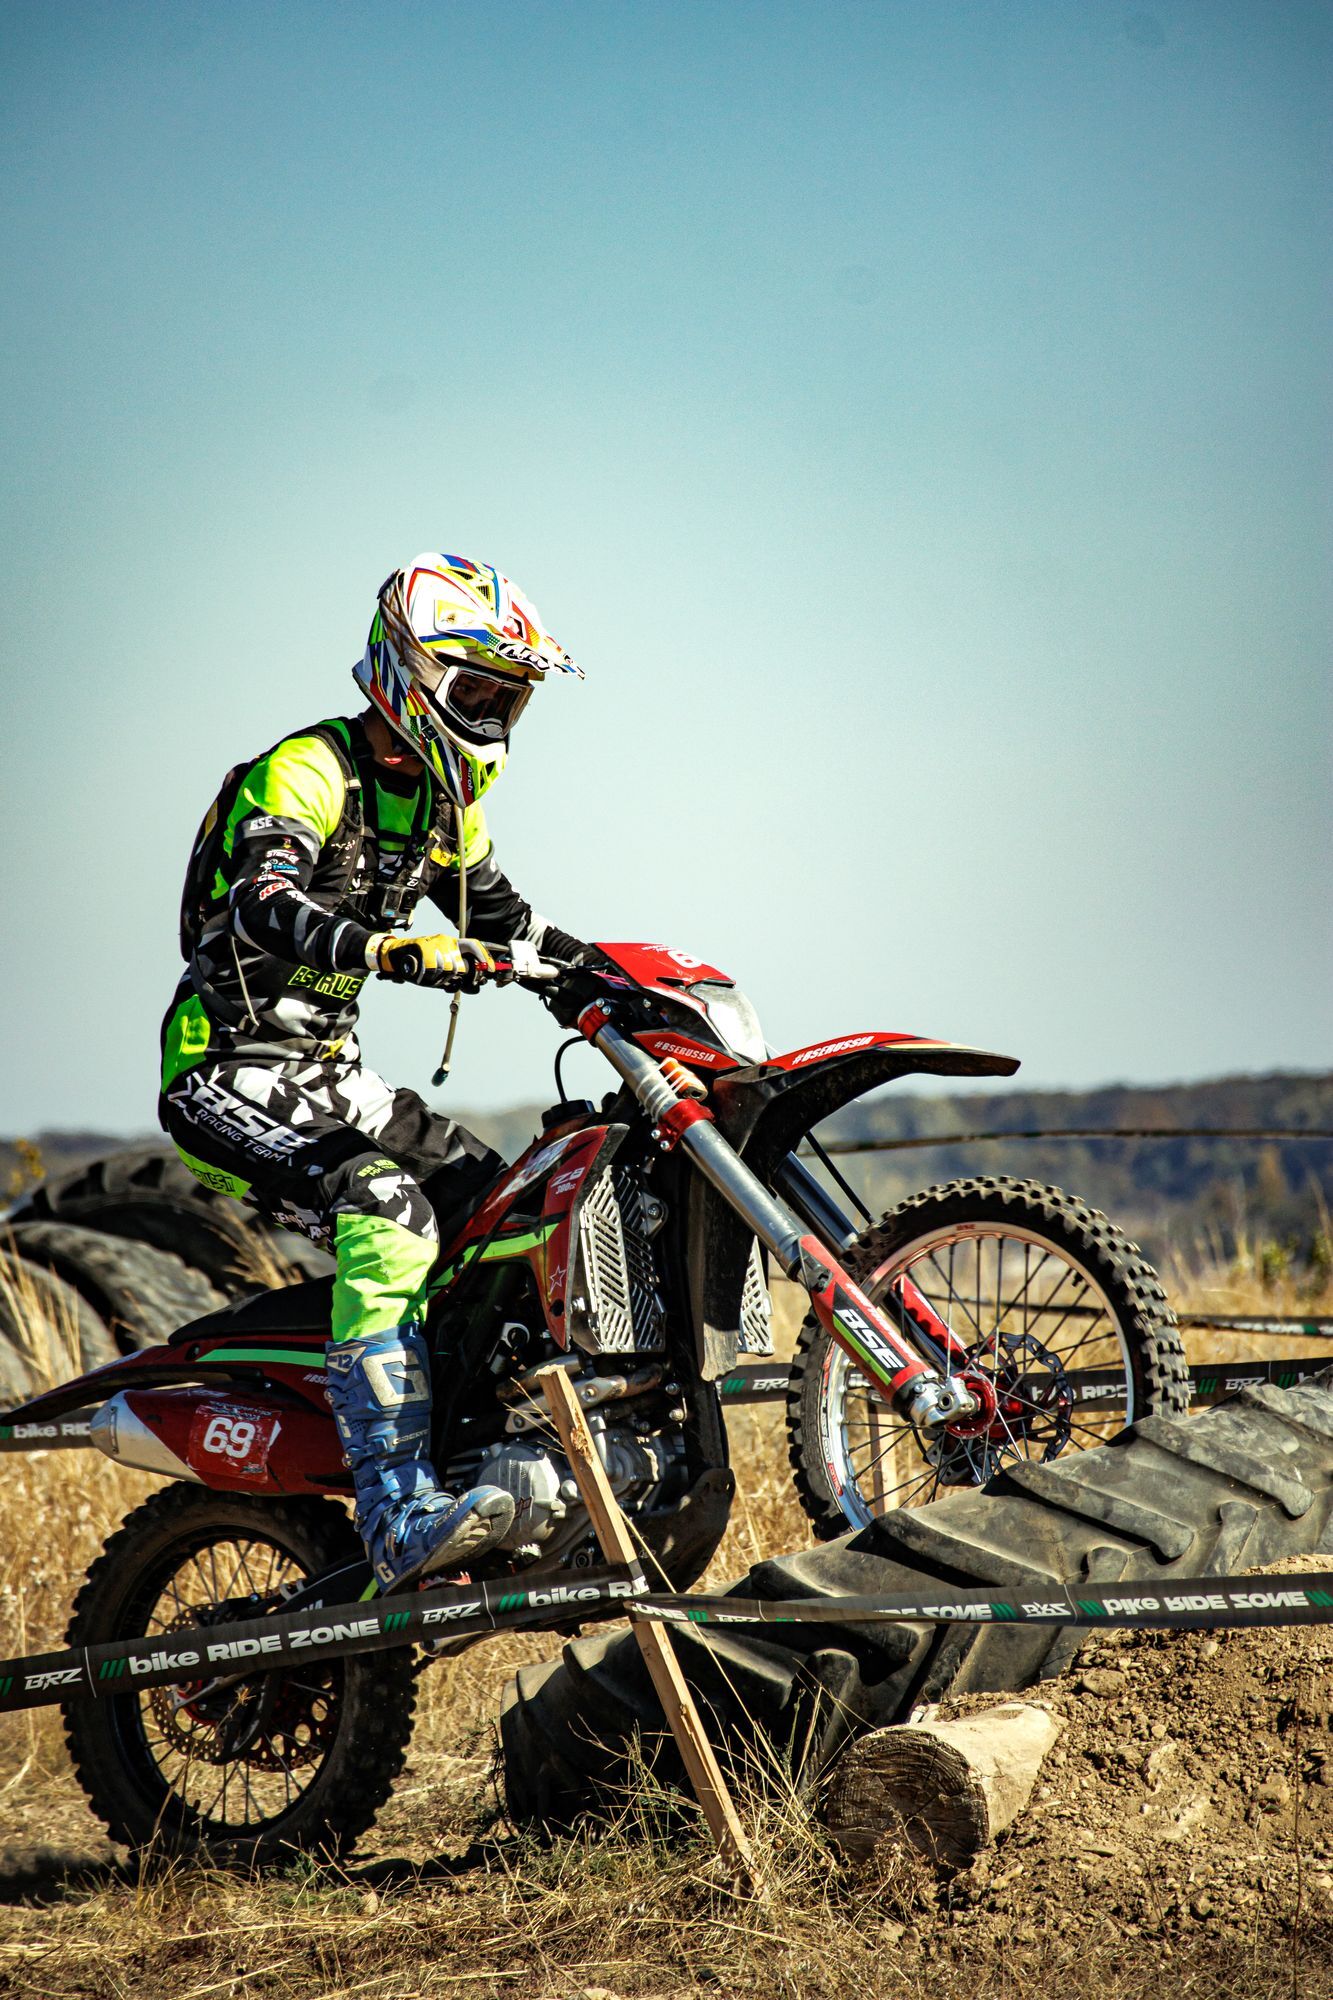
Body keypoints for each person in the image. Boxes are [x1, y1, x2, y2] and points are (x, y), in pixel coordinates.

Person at [159, 552, 592, 1590]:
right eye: (477, 691)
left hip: (331, 1070)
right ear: (411, 670)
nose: (492, 716)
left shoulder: (446, 806)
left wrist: (626, 982)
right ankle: (397, 1509)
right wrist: (386, 947)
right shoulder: (306, 770)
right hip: (225, 1068)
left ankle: (481, 1463)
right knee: (386, 1207)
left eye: (509, 699)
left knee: (507, 1205)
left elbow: (512, 924)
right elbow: (264, 900)